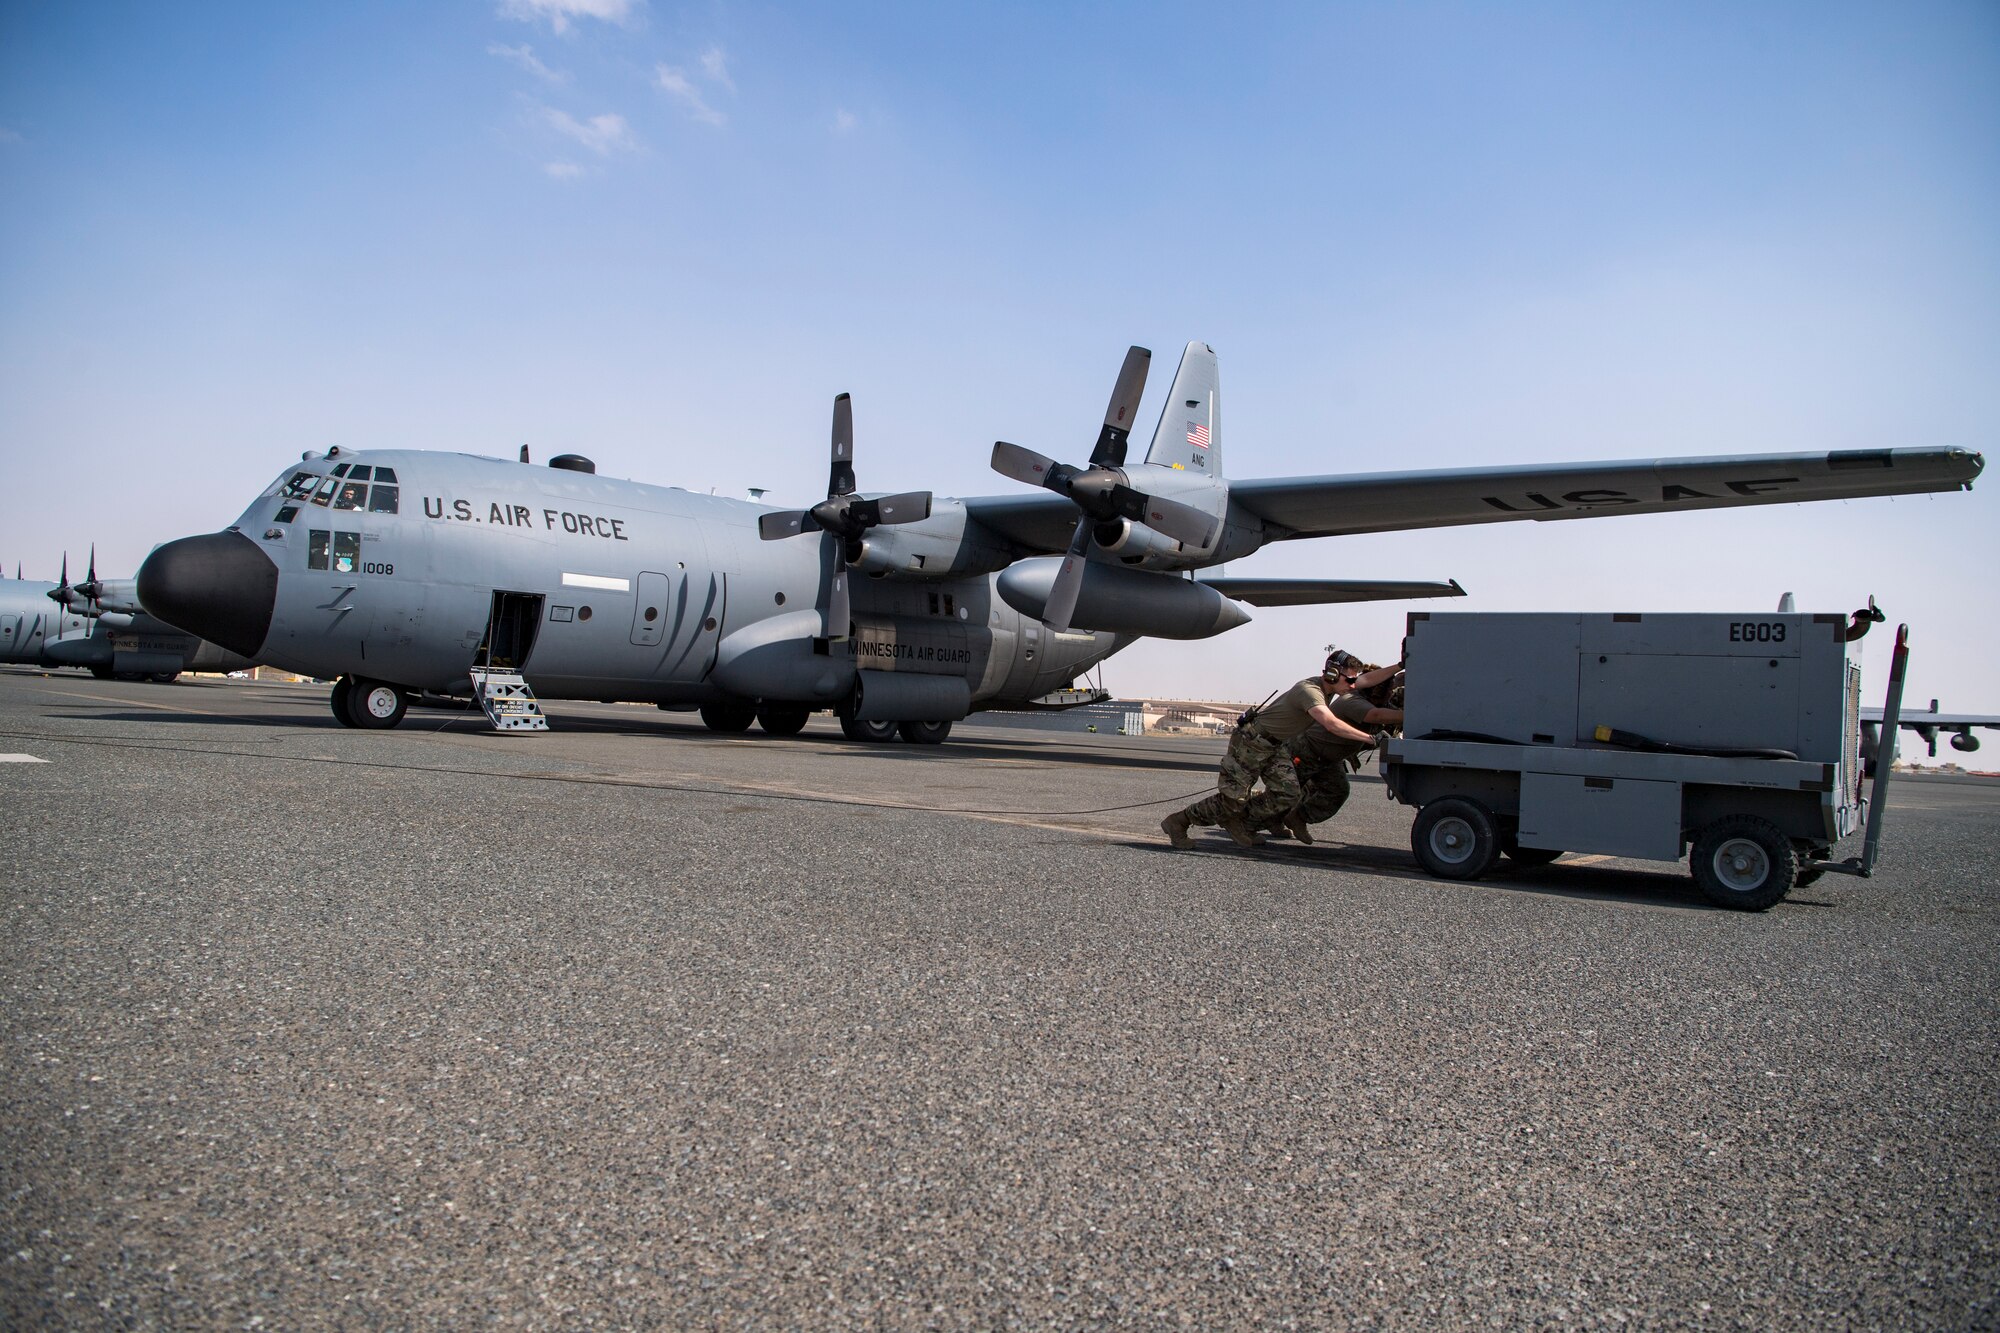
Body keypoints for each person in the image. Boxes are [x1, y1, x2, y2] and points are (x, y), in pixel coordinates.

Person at [1161, 649, 1396, 850]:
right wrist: (1369, 738)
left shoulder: (1334, 688)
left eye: (1355, 681)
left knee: (1288, 793)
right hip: (1252, 742)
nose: (1354, 686)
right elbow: (1330, 723)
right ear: (1333, 673)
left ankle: (1240, 821)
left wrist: (1399, 665)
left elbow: (1368, 680)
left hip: (1275, 746)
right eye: (1350, 681)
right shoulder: (1310, 691)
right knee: (1232, 800)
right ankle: (1179, 822)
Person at [1262, 666, 1404, 843]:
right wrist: (1410, 716)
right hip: (1306, 752)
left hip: (1329, 759)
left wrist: (1405, 669)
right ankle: (1246, 822)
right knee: (1286, 793)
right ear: (1376, 690)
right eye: (1387, 689)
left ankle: (1298, 818)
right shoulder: (1352, 700)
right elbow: (1376, 716)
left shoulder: (1375, 700)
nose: (1391, 693)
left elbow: (1397, 682)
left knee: (1337, 791)